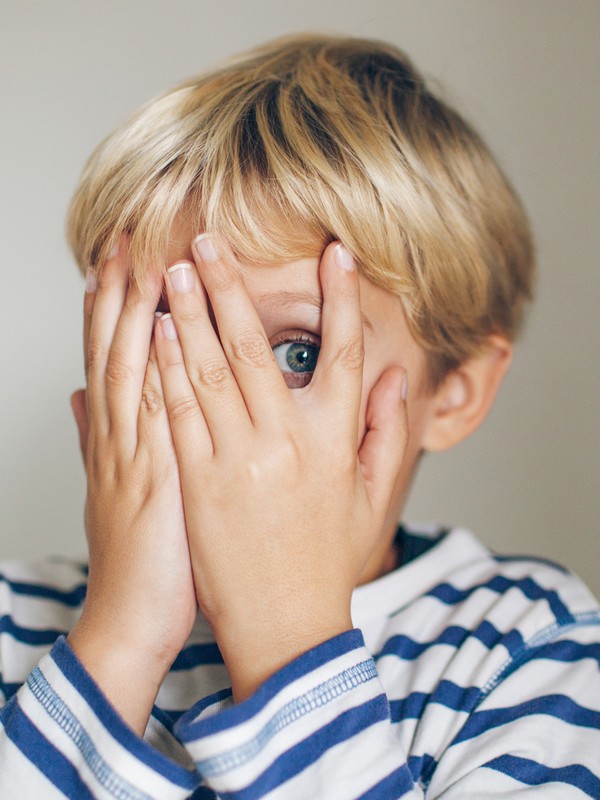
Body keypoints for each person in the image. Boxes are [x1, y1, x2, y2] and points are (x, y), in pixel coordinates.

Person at [0, 33, 598, 799]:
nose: (204, 401)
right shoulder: (21, 621)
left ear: (455, 392)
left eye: (295, 353)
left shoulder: (531, 644)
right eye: (164, 333)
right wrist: (120, 639)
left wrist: (288, 640)